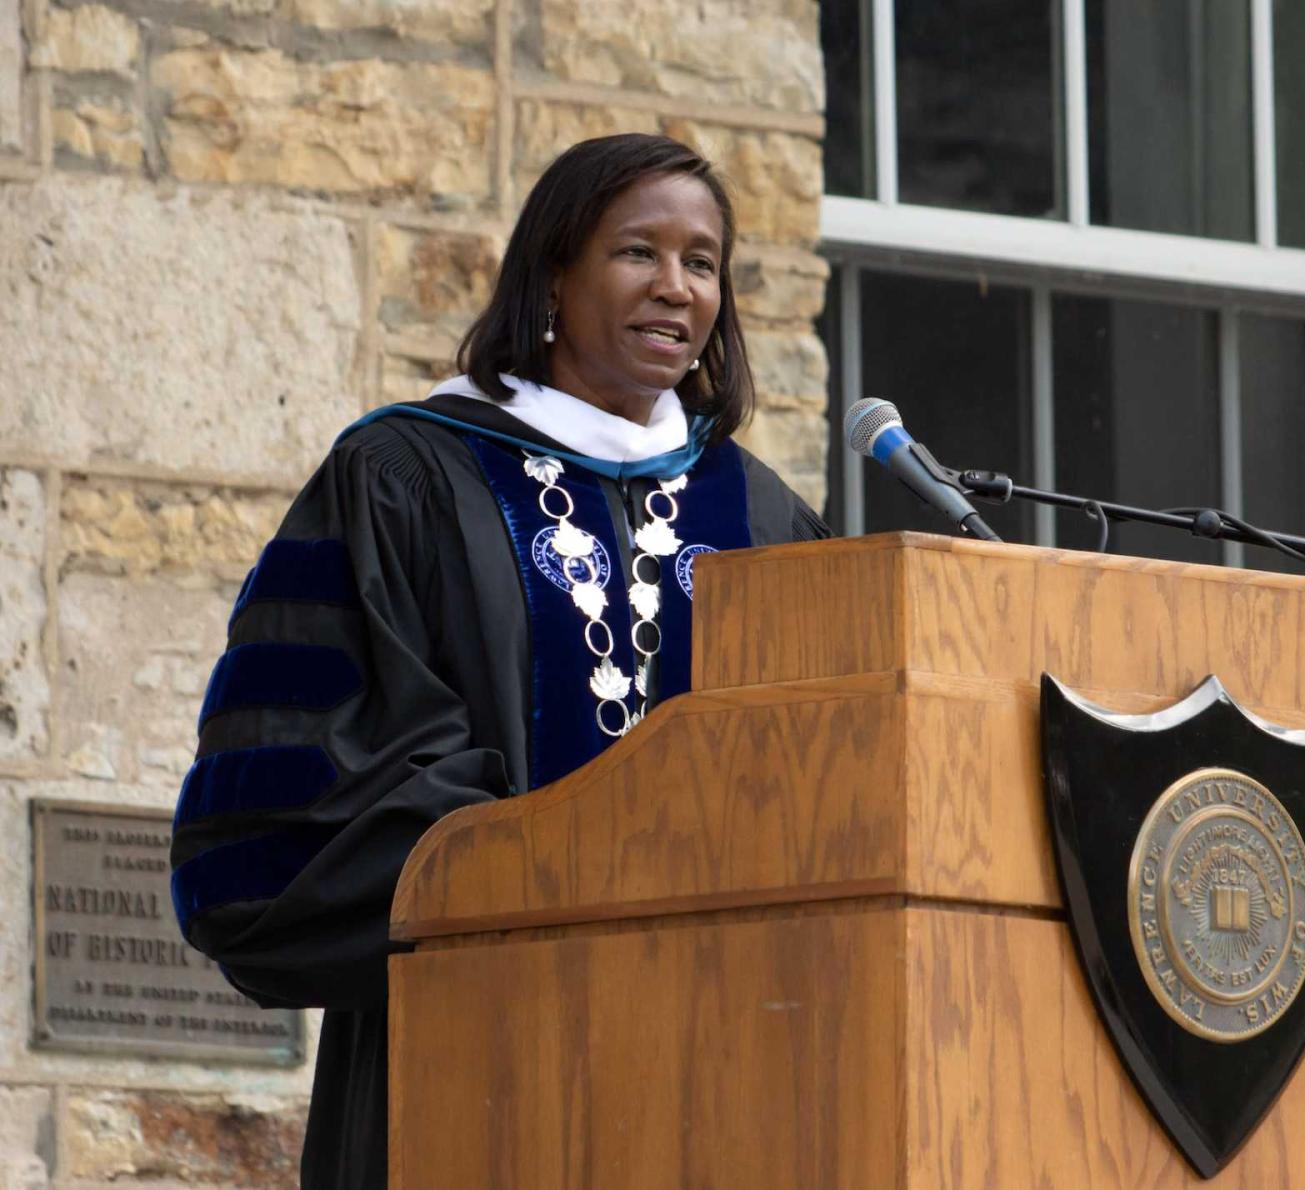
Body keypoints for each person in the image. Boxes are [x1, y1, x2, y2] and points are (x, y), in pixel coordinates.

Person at [167, 133, 829, 1190]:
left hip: (727, 1066)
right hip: (471, 1061)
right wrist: (563, 855)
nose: (675, 286)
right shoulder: (406, 477)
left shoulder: (764, 518)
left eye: (702, 262)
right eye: (636, 253)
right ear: (553, 276)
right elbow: (292, 811)